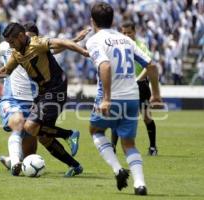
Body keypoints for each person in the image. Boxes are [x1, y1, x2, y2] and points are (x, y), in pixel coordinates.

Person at [0, 23, 89, 176]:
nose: (10, 45)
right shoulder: (16, 53)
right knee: (42, 136)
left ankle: (68, 134)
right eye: (8, 43)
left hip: (55, 89)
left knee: (29, 127)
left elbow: (62, 43)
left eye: (12, 42)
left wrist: (83, 51)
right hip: (42, 93)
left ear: (21, 36)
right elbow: (5, 72)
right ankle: (75, 166)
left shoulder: (37, 43)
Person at [86, 2, 162, 195]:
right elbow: (151, 66)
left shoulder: (95, 40)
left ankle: (118, 169)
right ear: (113, 21)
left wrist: (106, 99)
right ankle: (139, 184)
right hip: (132, 98)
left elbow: (105, 66)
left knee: (95, 131)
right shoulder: (126, 40)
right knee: (129, 144)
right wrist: (156, 94)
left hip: (112, 97)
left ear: (92, 21)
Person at [110, 21, 158, 156]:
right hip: (123, 84)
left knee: (146, 117)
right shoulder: (118, 46)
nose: (126, 35)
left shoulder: (140, 46)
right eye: (123, 33)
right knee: (118, 116)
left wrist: (138, 80)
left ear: (134, 32)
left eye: (129, 32)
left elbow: (148, 65)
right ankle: (112, 147)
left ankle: (153, 147)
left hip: (140, 85)